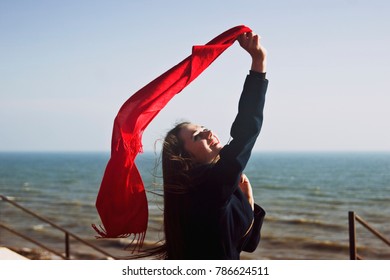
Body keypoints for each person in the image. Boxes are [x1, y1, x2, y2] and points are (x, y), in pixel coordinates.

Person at [161, 31, 268, 260]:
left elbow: (247, 245)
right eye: (198, 136)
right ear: (185, 158)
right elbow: (246, 130)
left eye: (203, 127)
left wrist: (248, 202)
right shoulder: (206, 185)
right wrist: (258, 64)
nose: (208, 132)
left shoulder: (214, 189)